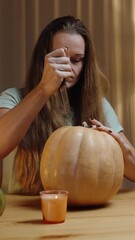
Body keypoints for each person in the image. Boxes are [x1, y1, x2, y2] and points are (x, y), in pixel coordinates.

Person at [0, 15, 135, 195]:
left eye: (76, 59)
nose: (67, 67)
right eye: (59, 57)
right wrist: (43, 89)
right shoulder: (13, 98)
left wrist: (116, 143)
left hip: (81, 210)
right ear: (43, 59)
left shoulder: (98, 105)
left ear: (85, 64)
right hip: (23, 211)